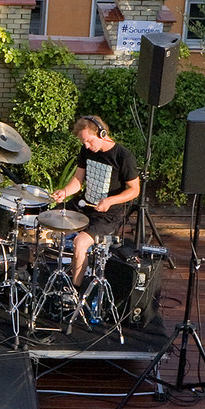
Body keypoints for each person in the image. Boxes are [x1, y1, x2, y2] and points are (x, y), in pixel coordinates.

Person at [51, 114, 141, 286]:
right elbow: (78, 181)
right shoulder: (86, 150)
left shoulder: (123, 157)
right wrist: (64, 191)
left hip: (108, 215)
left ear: (102, 134)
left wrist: (110, 200)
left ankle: (74, 291)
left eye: (89, 141)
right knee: (47, 220)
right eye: (83, 142)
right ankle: (35, 273)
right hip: (84, 204)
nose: (86, 145)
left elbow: (134, 190)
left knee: (80, 243)